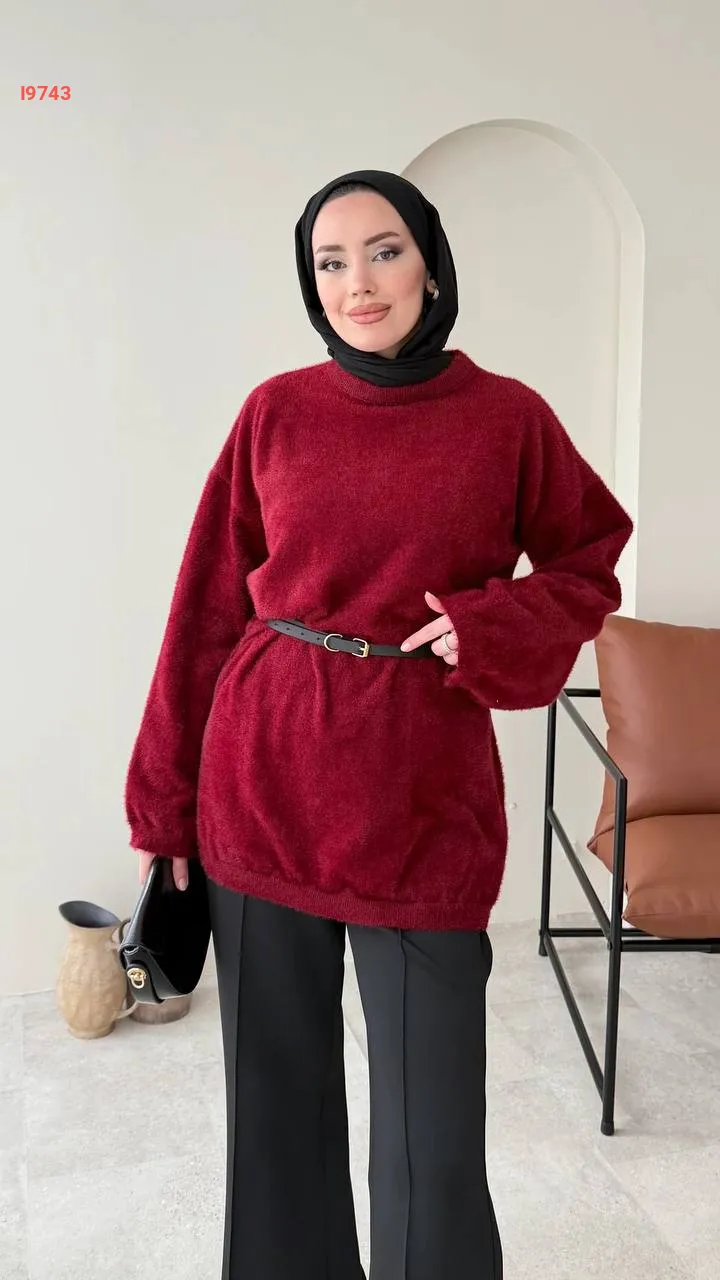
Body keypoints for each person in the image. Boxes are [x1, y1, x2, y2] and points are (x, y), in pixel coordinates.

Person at [125, 169, 633, 1280]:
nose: (358, 282)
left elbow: (591, 558)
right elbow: (206, 603)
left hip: (422, 800)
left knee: (431, 1141)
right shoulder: (275, 411)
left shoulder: (507, 417)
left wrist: (492, 624)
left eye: (385, 250)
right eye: (331, 261)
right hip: (262, 782)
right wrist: (163, 802)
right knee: (275, 1120)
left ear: (432, 265)